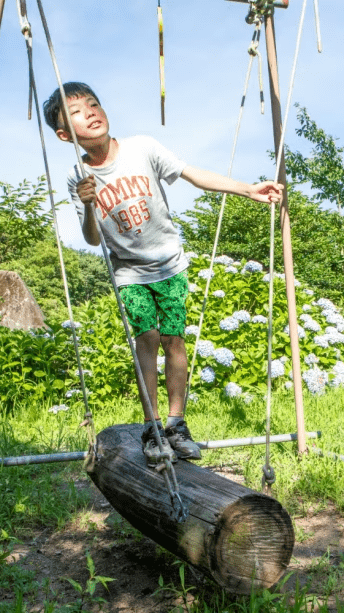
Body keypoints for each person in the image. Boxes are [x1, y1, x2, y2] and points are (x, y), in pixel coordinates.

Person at [43, 82, 283, 467]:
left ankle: (176, 423)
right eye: (76, 112)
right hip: (130, 272)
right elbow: (91, 238)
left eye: (93, 103)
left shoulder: (143, 148)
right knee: (148, 338)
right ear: (63, 134)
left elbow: (193, 175)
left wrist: (246, 189)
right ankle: (152, 426)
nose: (90, 112)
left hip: (170, 264)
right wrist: (88, 205)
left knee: (174, 339)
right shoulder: (78, 177)